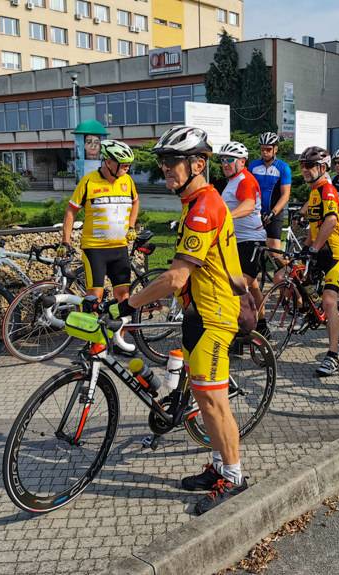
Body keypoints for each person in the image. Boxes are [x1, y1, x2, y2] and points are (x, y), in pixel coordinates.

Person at [106, 125, 250, 514]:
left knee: (214, 401)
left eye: (174, 161)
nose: (166, 168)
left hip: (214, 315)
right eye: (164, 162)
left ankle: (234, 477)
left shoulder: (205, 206)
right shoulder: (194, 202)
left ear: (199, 164)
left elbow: (175, 278)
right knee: (202, 398)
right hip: (197, 312)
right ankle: (219, 464)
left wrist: (127, 304)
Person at [60, 139, 139, 353]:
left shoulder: (127, 181)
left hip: (119, 247)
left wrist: (132, 225)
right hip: (95, 249)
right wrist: (65, 240)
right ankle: (94, 343)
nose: (127, 168)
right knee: (94, 297)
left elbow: (136, 201)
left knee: (124, 296)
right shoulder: (88, 182)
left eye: (128, 165)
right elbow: (70, 211)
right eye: (123, 164)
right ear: (108, 162)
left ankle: (119, 340)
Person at [296, 146, 339, 376]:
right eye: (303, 166)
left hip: (337, 251)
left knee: (330, 301)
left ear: (322, 167)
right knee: (300, 277)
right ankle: (313, 312)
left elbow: (329, 222)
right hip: (322, 248)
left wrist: (315, 247)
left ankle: (333, 355)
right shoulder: (314, 192)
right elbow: (315, 225)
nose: (304, 170)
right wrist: (308, 246)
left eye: (309, 166)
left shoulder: (327, 190)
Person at [218, 141, 267, 331]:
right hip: (235, 241)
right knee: (253, 286)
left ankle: (238, 330)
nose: (225, 164)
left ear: (242, 162)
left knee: (235, 288)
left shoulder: (245, 180)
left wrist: (225, 218)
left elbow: (247, 205)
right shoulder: (232, 181)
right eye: (223, 160)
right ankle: (262, 325)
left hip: (250, 241)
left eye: (230, 159)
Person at [250, 132, 292, 264]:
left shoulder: (283, 167)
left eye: (268, 149)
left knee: (274, 250)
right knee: (253, 248)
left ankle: (289, 275)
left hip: (275, 212)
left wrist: (273, 213)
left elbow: (285, 195)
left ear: (275, 149)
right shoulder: (253, 166)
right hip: (256, 212)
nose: (265, 152)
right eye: (262, 149)